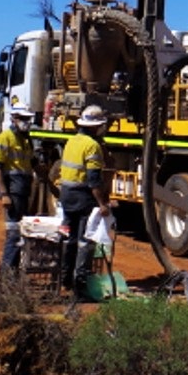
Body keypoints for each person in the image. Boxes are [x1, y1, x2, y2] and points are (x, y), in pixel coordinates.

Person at [59, 104, 111, 300]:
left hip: (66, 195)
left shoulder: (71, 141)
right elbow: (94, 179)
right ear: (96, 126)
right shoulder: (92, 146)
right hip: (82, 197)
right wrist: (102, 204)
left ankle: (65, 281)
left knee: (69, 240)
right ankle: (80, 289)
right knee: (84, 243)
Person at [0, 107, 37, 274]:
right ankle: (6, 275)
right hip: (12, 191)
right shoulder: (4, 138)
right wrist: (4, 194)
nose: (27, 122)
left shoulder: (26, 140)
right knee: (13, 234)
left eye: (28, 119)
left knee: (21, 233)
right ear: (14, 118)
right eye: (23, 118)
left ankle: (14, 272)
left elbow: (31, 162)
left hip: (23, 190)